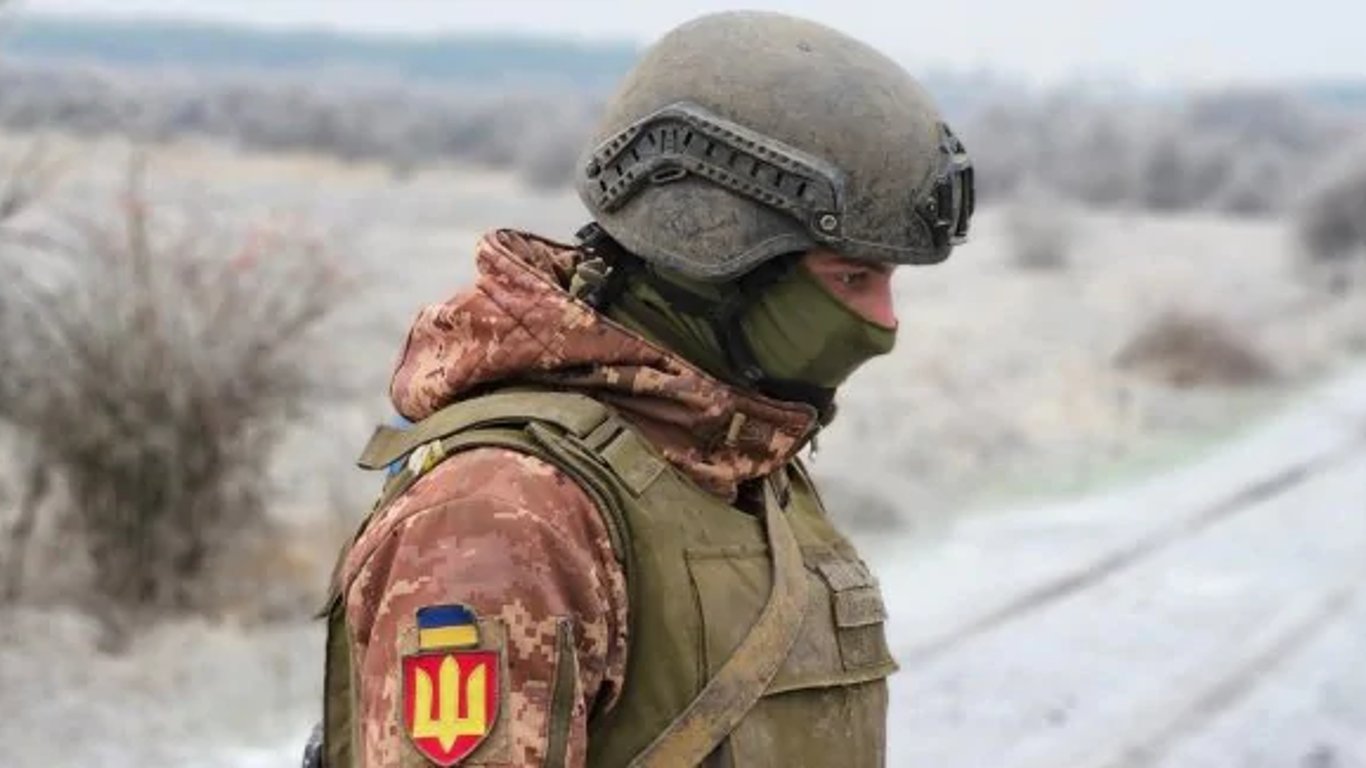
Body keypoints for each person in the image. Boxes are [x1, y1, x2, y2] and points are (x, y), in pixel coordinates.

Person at [314, 10, 973, 768]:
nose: (884, 322)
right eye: (852, 278)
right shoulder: (503, 515)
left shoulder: (735, 466)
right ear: (717, 257)